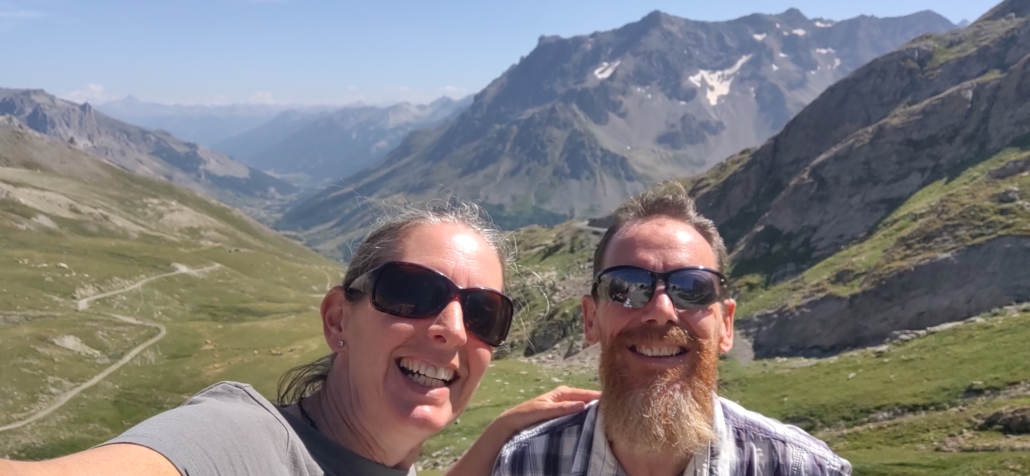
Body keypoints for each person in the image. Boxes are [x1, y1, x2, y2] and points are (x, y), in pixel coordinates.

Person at [0, 201, 599, 476]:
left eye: (483, 313)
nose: (451, 328)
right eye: (412, 293)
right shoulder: (241, 440)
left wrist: (498, 433)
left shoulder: (382, 460)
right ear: (338, 319)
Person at [493, 183, 852, 476]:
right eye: (627, 286)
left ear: (726, 325)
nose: (661, 311)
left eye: (693, 287)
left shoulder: (802, 469)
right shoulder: (525, 464)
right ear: (590, 319)